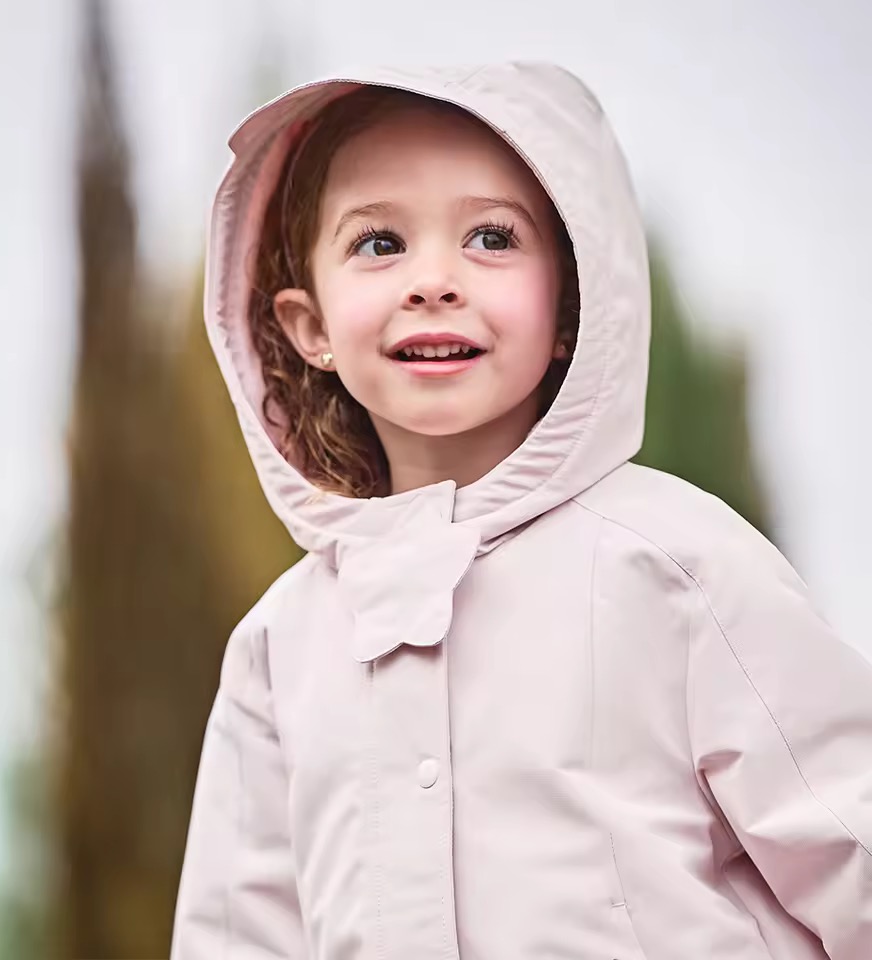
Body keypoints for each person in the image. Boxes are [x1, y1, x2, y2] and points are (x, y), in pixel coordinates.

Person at [170, 62, 872, 960]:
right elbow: (241, 936)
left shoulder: (676, 567)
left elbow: (850, 842)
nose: (433, 280)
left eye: (492, 237)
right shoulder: (279, 648)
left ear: (573, 304)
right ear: (310, 328)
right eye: (379, 243)